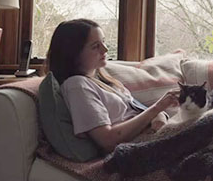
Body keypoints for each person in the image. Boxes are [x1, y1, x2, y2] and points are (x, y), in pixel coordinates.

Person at [46, 19, 179, 154]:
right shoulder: (77, 86)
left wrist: (159, 115)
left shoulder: (102, 80)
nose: (105, 49)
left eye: (103, 41)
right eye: (95, 46)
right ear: (73, 53)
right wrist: (157, 108)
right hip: (138, 149)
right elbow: (107, 141)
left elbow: (135, 110)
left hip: (154, 136)